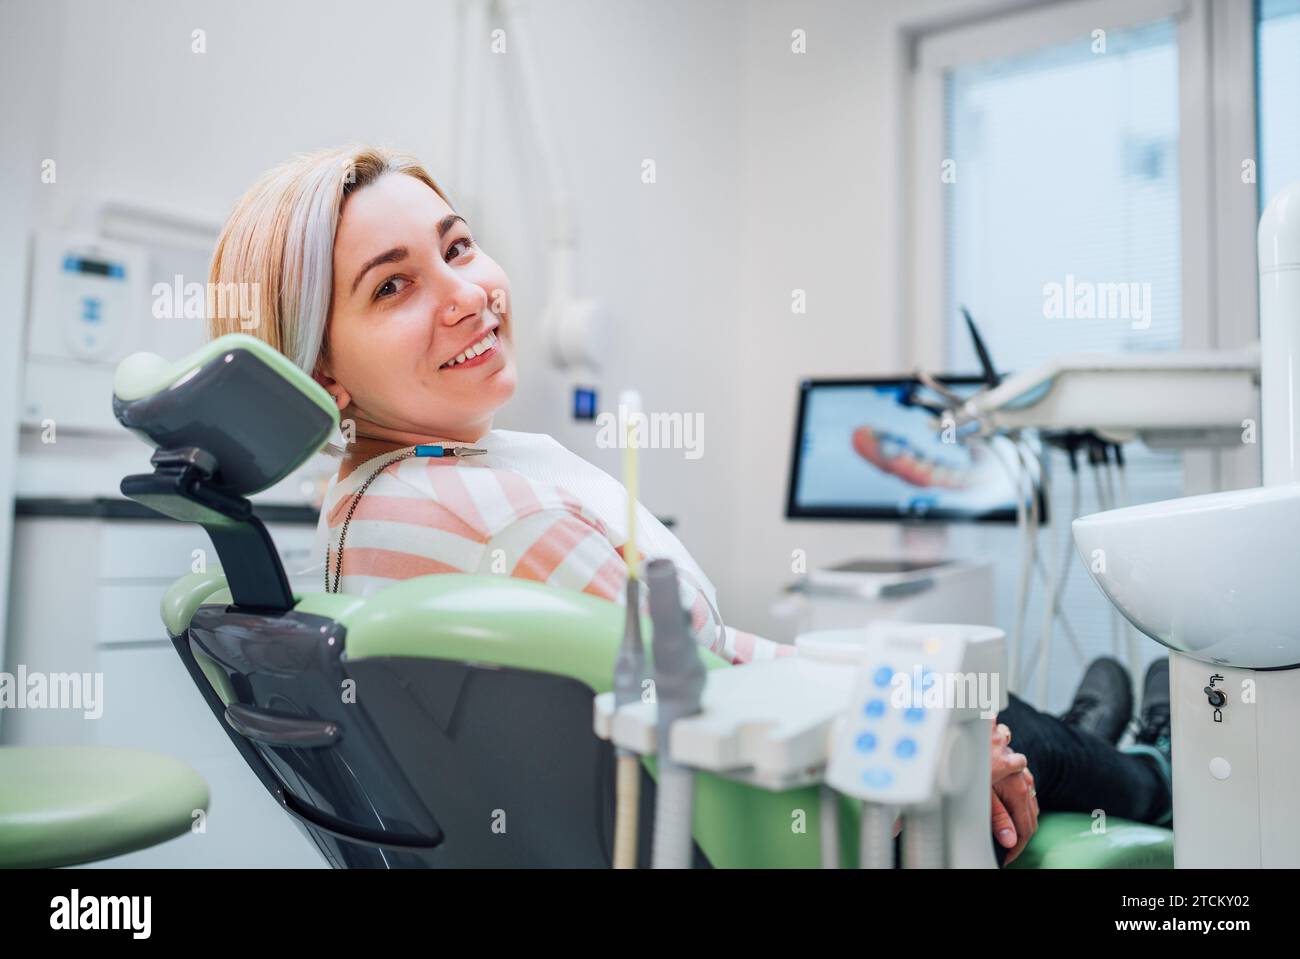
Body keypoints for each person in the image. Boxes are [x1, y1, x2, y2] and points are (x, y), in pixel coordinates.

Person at [207, 145, 1172, 865]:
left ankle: (1100, 727)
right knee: (977, 696)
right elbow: (725, 706)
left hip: (693, 781)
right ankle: (1147, 770)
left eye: (458, 245)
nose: (468, 294)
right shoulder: (501, 526)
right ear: (319, 368)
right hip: (807, 818)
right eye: (395, 285)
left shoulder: (356, 511)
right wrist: (948, 738)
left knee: (978, 696)